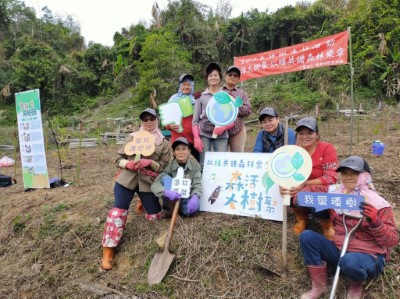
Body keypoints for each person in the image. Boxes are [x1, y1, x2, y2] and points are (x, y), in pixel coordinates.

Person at [299, 156, 399, 299]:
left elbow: (392, 240)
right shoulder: (337, 193)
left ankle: (357, 282)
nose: (349, 177)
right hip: (340, 249)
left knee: (349, 262)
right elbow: (313, 190)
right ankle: (318, 286)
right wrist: (296, 193)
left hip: (369, 256)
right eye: (345, 173)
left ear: (365, 176)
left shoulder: (378, 203)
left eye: (355, 173)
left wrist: (376, 222)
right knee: (307, 237)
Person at [101, 108, 172, 270]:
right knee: (117, 212)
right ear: (141, 122)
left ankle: (142, 202)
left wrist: (150, 163)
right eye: (145, 119)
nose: (148, 122)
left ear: (157, 120)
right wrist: (128, 164)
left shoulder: (163, 143)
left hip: (148, 182)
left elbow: (166, 166)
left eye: (151, 119)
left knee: (155, 216)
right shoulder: (132, 138)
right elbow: (117, 158)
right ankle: (108, 252)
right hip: (127, 179)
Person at [281, 117, 339, 239]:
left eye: (309, 133)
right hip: (300, 190)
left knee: (318, 200)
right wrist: (282, 185)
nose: (304, 136)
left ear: (317, 135)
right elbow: (285, 174)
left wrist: (305, 184)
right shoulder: (293, 152)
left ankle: (326, 225)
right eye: (301, 133)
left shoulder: (326, 148)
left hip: (321, 190)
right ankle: (302, 218)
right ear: (296, 135)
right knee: (289, 191)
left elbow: (331, 177)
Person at [151, 137, 202, 217]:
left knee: (193, 209)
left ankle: (178, 211)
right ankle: (171, 209)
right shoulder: (169, 166)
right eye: (178, 149)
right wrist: (165, 192)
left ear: (189, 151)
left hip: (186, 198)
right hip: (171, 198)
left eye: (184, 149)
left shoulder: (195, 166)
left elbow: (197, 183)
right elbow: (155, 185)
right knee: (166, 179)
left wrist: (195, 196)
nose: (181, 152)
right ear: (174, 152)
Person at [192, 62, 228, 168]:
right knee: (204, 163)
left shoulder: (226, 96)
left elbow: (232, 118)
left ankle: (219, 184)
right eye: (210, 75)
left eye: (216, 75)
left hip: (221, 134)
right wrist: (196, 138)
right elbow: (195, 120)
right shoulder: (201, 97)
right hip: (204, 133)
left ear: (220, 77)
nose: (213, 77)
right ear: (207, 78)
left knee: (220, 163)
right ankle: (203, 184)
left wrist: (224, 127)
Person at [165, 74, 200, 162]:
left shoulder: (196, 99)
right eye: (184, 84)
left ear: (192, 86)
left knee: (196, 162)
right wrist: (170, 126)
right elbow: (166, 120)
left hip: (193, 138)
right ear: (180, 86)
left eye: (189, 84)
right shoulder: (173, 99)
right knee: (178, 164)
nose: (186, 87)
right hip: (178, 138)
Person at [222, 66, 252, 152]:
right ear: (225, 76)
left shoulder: (242, 94)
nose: (232, 77)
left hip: (238, 129)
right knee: (220, 155)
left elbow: (248, 111)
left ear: (238, 79)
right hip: (221, 130)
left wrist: (235, 104)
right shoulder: (219, 92)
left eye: (235, 76)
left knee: (237, 156)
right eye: (230, 74)